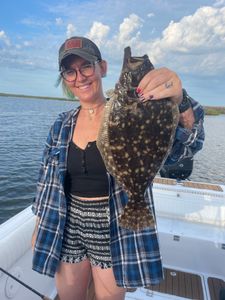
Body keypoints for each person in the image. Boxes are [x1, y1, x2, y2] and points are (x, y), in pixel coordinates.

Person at [31, 36, 203, 300]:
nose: (80, 77)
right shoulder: (61, 124)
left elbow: (186, 147)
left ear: (102, 68)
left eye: (86, 66)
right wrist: (39, 222)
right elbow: (46, 179)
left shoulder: (133, 110)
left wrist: (180, 100)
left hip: (113, 223)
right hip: (67, 223)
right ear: (64, 78)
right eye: (70, 71)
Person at [160, 89, 205, 180]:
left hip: (180, 155)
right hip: (159, 155)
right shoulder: (150, 100)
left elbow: (194, 141)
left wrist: (170, 128)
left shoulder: (195, 107)